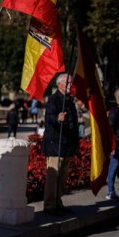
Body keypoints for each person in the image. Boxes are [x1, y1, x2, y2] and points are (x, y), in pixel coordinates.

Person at [42, 73, 78, 216]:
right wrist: (57, 118)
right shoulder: (54, 99)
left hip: (67, 145)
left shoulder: (69, 100)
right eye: (68, 82)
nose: (71, 85)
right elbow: (49, 117)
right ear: (60, 84)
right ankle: (50, 205)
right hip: (55, 145)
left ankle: (58, 202)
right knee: (53, 176)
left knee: (62, 178)